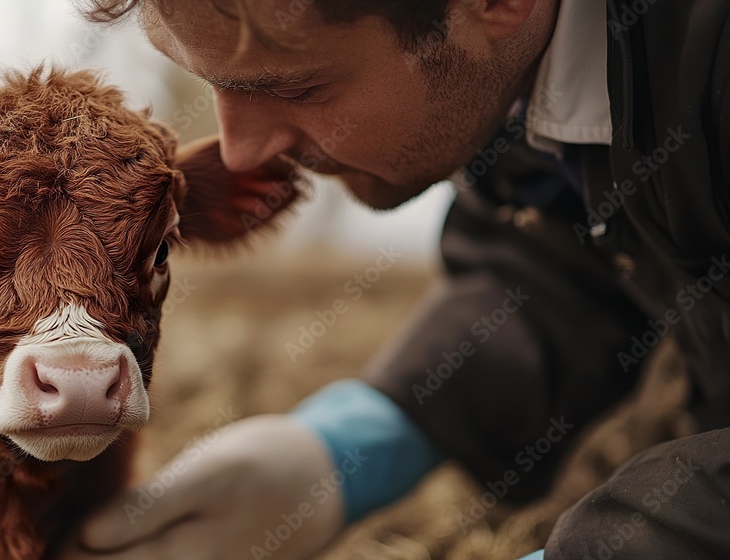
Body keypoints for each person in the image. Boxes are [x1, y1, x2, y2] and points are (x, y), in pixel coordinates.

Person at [70, 1, 730, 559]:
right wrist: (347, 448)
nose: (238, 150)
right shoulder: (517, 72)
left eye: (295, 89)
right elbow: (565, 254)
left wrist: (646, 535)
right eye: (212, 83)